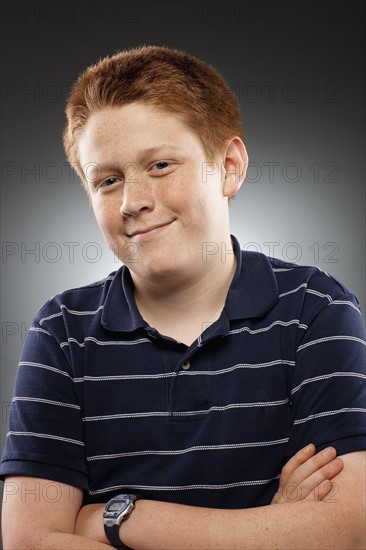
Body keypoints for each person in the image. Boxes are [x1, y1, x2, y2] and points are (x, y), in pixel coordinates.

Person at [1, 45, 365, 549]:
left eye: (161, 165)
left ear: (230, 167)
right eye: (107, 180)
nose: (132, 201)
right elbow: (29, 542)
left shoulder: (315, 309)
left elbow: (345, 531)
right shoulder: (61, 331)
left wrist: (125, 519)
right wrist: (269, 529)